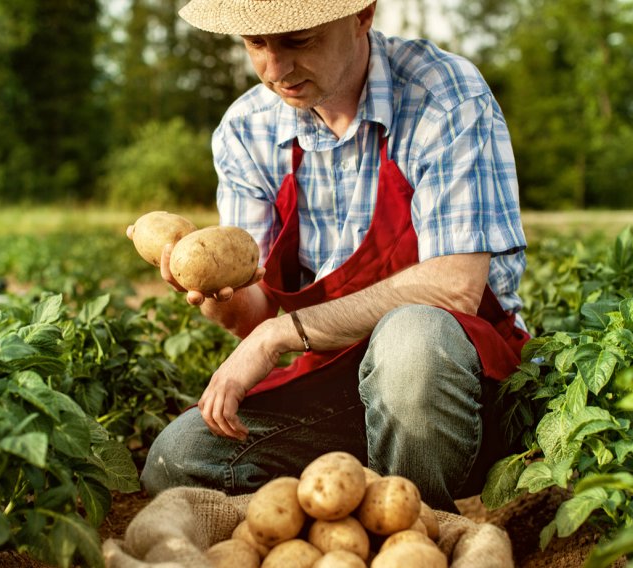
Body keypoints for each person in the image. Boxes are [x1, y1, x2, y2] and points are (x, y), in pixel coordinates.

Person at [133, 0, 530, 512]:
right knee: (180, 458)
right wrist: (210, 288)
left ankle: (411, 522)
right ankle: (345, 505)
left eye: (298, 40)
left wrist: (281, 333)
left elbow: (453, 288)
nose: (275, 69)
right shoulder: (246, 130)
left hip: (463, 388)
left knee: (412, 339)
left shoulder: (443, 95)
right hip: (338, 383)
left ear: (362, 16)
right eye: (257, 44)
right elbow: (252, 313)